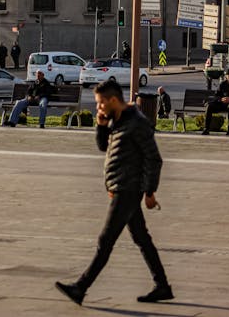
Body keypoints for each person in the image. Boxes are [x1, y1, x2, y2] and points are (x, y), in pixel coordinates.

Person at [55, 79, 173, 306]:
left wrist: (150, 191)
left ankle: (80, 287)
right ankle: (162, 286)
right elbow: (104, 147)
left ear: (112, 100)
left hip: (128, 190)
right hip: (120, 187)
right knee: (141, 238)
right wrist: (100, 125)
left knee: (105, 240)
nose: (98, 107)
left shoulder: (137, 123)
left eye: (100, 104)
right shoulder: (116, 120)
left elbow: (154, 159)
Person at [202, 65, 229, 136]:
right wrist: (221, 99)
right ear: (226, 76)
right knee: (209, 106)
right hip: (222, 104)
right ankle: (206, 129)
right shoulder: (223, 84)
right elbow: (216, 96)